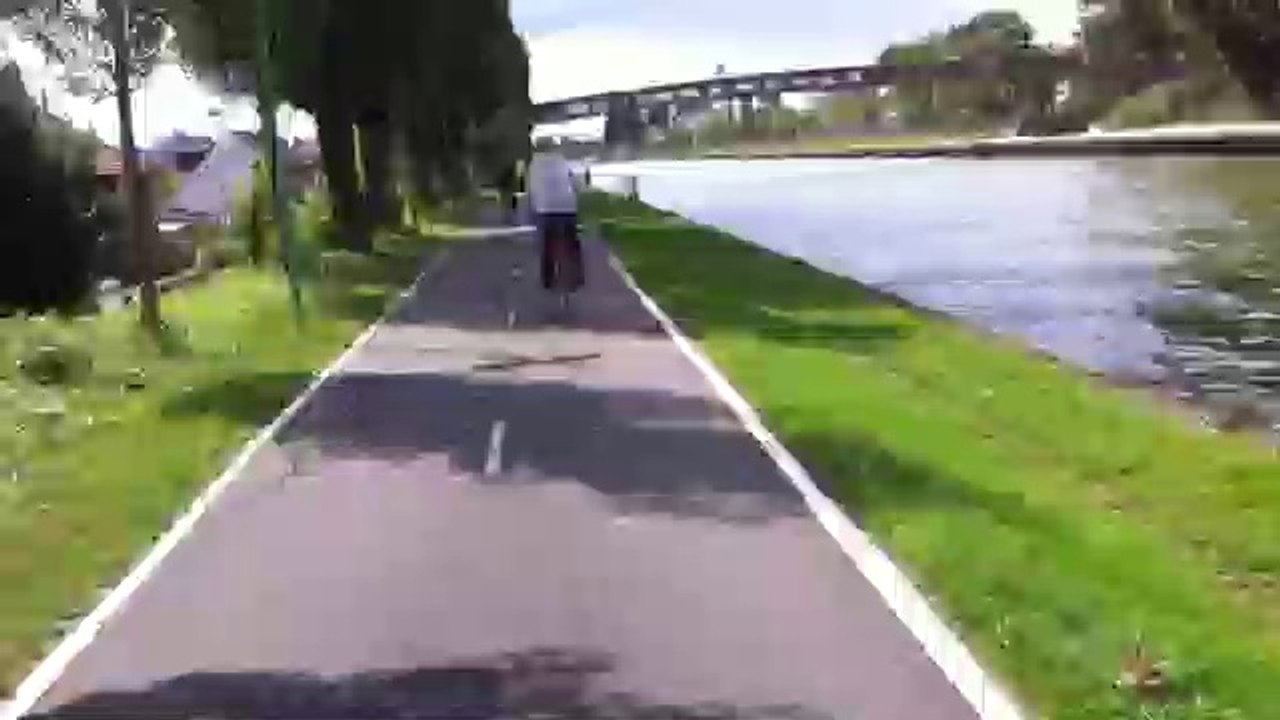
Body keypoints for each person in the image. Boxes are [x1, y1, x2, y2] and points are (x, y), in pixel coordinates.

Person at [526, 143, 583, 296]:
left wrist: (531, 211)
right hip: (567, 206)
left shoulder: (534, 165)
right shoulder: (563, 161)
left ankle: (547, 278)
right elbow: (576, 184)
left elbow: (531, 190)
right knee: (572, 243)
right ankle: (577, 274)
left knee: (546, 243)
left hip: (546, 208)